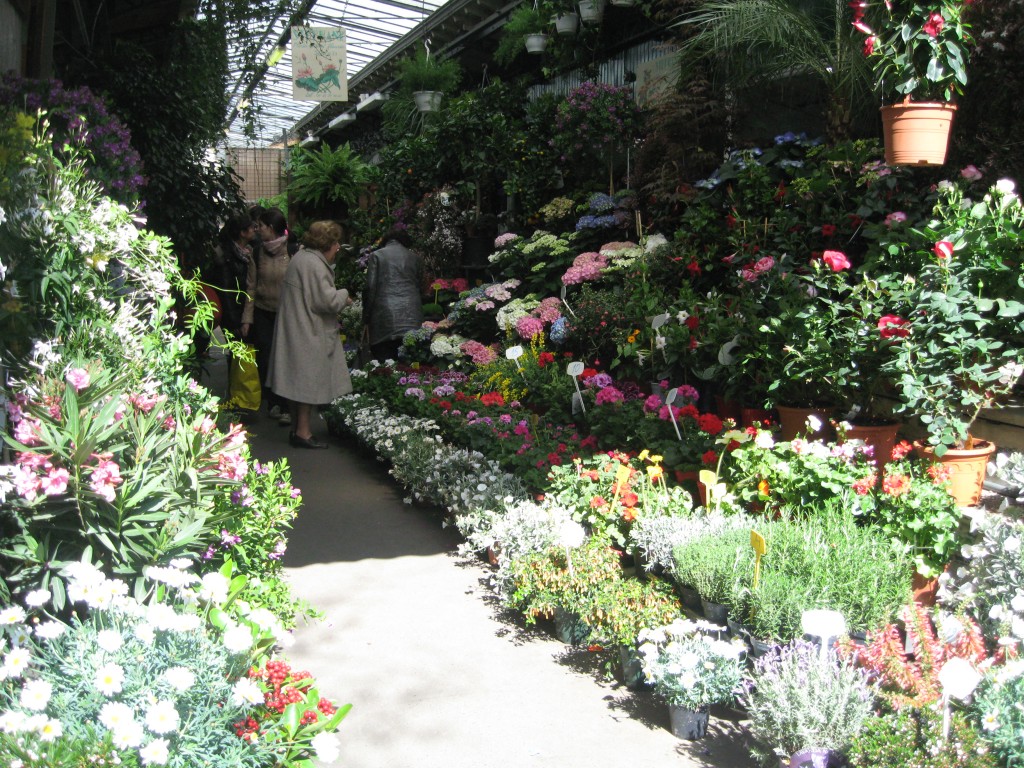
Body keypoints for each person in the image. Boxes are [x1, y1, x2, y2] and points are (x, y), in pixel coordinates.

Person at [267, 220, 353, 449]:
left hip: (296, 327)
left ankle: (297, 430)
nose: (338, 247)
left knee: (295, 382)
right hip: (307, 330)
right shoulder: (314, 264)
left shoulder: (302, 258)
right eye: (336, 243)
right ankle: (303, 432)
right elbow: (326, 301)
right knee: (306, 382)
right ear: (328, 243)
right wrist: (344, 294)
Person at [240, 207, 291, 426]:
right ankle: (273, 402)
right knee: (266, 357)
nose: (257, 229)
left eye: (260, 226)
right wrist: (247, 318)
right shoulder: (257, 252)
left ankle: (287, 405)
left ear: (271, 228)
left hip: (287, 314)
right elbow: (251, 287)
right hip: (262, 311)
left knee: (285, 358)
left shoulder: (293, 250)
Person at [210, 212, 257, 417]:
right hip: (235, 314)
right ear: (242, 233)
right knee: (237, 354)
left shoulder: (248, 252)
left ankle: (242, 398)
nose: (255, 230)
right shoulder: (227, 256)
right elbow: (226, 290)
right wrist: (235, 320)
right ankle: (237, 400)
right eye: (251, 227)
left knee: (242, 354)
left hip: (243, 311)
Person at [362, 229, 424, 362]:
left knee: (384, 363)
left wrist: (366, 318)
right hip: (412, 315)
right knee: (410, 363)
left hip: (384, 317)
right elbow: (420, 287)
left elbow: (370, 288)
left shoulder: (376, 256)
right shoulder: (415, 258)